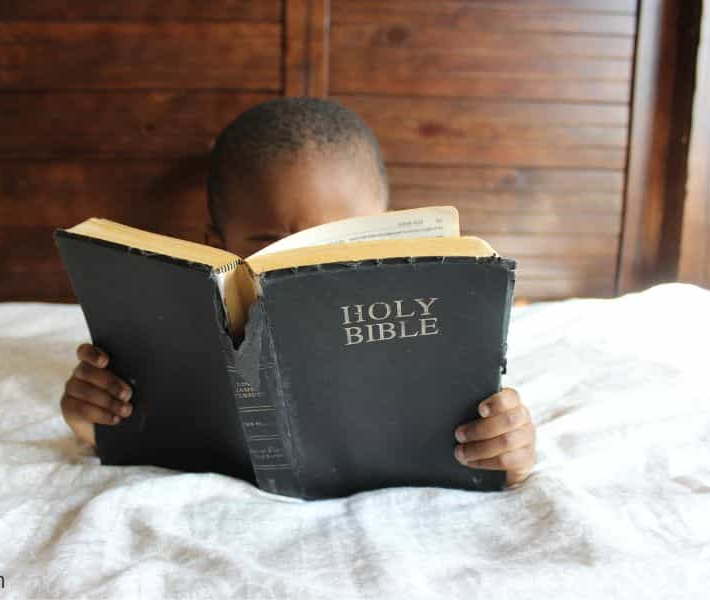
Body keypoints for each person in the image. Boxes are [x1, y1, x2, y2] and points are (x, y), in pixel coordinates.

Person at [60, 97, 536, 486]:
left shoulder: (431, 327)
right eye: (273, 245)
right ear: (217, 246)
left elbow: (495, 449)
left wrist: (506, 450)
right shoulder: (179, 338)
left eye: (344, 239)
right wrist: (94, 416)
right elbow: (124, 434)